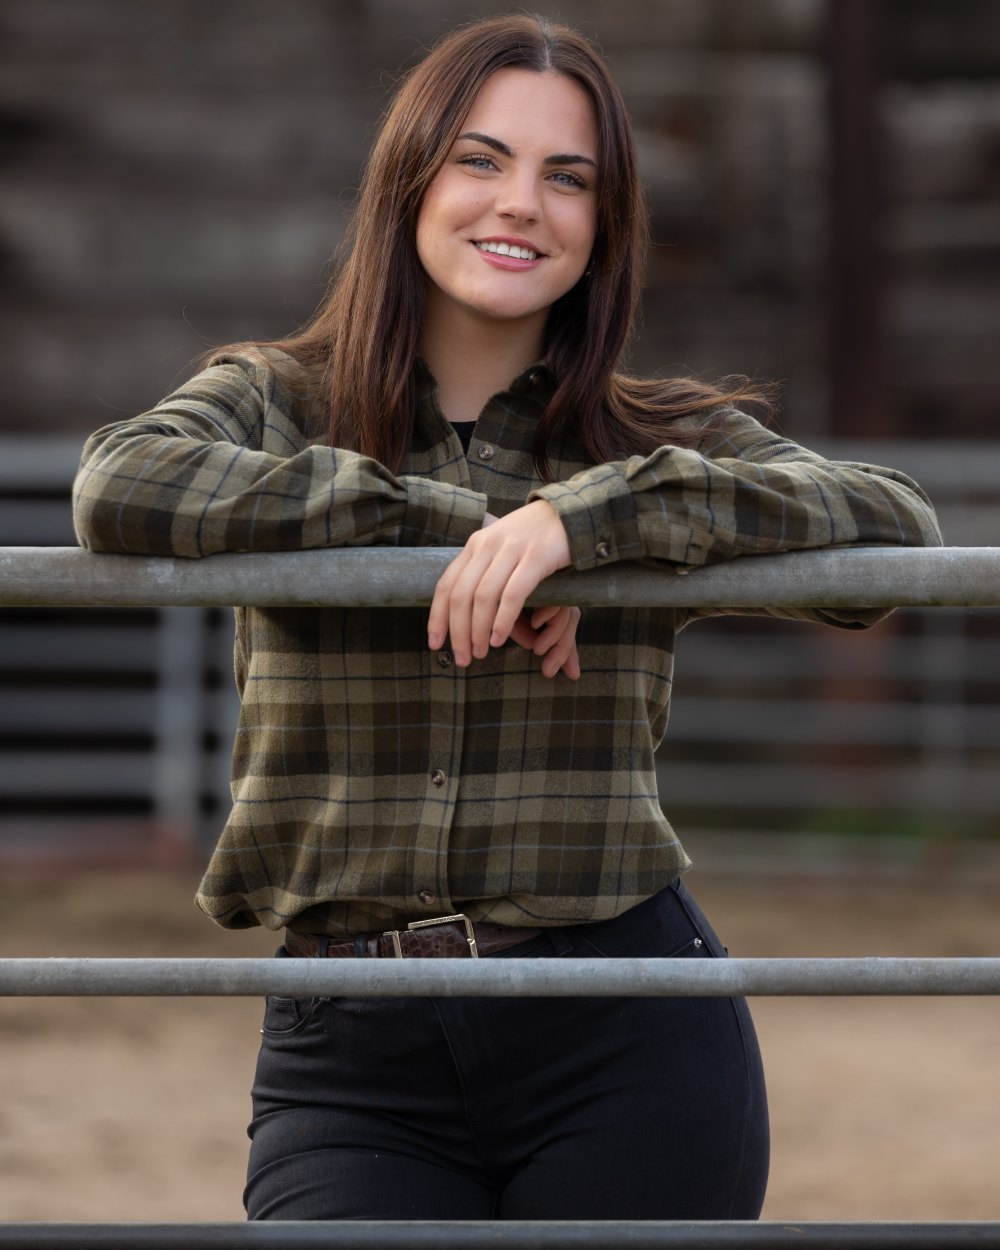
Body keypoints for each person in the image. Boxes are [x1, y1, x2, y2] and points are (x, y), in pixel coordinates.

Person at [72, 13, 941, 1224]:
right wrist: (474, 528)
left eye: (566, 176)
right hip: (352, 1052)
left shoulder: (650, 442)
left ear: (603, 221)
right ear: (411, 178)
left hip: (622, 1023)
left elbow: (896, 535)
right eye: (481, 160)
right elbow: (118, 486)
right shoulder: (278, 398)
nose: (520, 203)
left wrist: (597, 518)